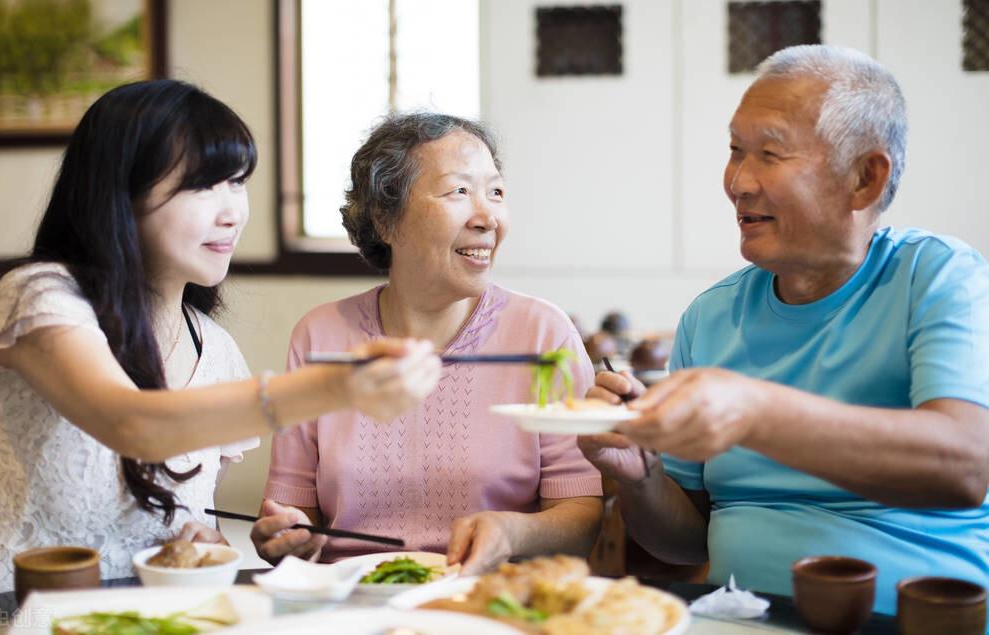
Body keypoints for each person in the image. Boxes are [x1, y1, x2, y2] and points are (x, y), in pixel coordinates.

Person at [0, 80, 441, 594]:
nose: (232, 212)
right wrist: (335, 388)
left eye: (237, 182)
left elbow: (183, 526)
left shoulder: (213, 349)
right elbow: (130, 423)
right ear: (120, 191)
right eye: (201, 186)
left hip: (152, 621)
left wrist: (210, 546)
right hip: (10, 616)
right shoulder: (41, 297)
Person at [579, 45, 989, 614]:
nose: (738, 183)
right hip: (736, 618)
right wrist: (641, 476)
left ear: (864, 179)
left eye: (769, 154)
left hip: (910, 620)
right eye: (734, 151)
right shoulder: (711, 315)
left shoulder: (939, 276)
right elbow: (683, 542)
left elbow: (967, 466)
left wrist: (755, 411)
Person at [252, 113, 603, 574]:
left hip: (486, 601)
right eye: (459, 191)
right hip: (354, 599)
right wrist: (289, 532)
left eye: (495, 192)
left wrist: (513, 531)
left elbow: (582, 516)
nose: (487, 217)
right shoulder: (321, 335)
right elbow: (291, 508)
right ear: (385, 220)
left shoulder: (542, 332)